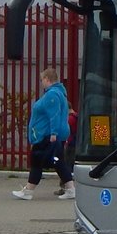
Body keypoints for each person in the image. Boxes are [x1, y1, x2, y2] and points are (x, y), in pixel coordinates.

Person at [12, 67, 75, 200]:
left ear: (47, 79)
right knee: (58, 162)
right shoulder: (59, 93)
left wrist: (53, 133)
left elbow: (54, 115)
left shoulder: (52, 94)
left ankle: (28, 191)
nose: (42, 83)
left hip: (46, 135)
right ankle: (70, 188)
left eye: (42, 80)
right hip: (52, 135)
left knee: (37, 160)